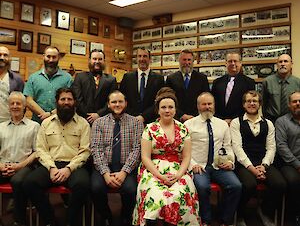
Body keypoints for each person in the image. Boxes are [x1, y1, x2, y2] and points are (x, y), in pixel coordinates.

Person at [133, 87, 200, 226]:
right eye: (163, 107)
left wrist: (179, 175)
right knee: (156, 196)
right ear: (158, 110)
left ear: (175, 110)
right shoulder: (150, 128)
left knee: (179, 195)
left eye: (170, 107)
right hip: (153, 169)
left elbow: (187, 157)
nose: (167, 110)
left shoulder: (183, 129)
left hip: (178, 170)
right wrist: (160, 176)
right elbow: (145, 157)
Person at [23, 88, 90, 226]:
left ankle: (70, 221)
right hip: (50, 165)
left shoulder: (83, 124)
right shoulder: (46, 123)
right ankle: (50, 220)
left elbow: (85, 151)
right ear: (57, 102)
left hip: (73, 166)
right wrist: (52, 167)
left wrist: (69, 169)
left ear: (75, 102)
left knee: (82, 185)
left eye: (69, 99)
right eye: (63, 99)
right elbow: (41, 149)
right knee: (29, 183)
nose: (66, 102)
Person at [184, 92, 241, 226]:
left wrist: (230, 162)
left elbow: (227, 146)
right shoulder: (188, 124)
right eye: (204, 104)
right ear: (198, 106)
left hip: (219, 166)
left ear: (214, 105)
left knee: (236, 186)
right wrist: (192, 165)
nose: (207, 107)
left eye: (210, 104)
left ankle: (225, 220)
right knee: (202, 187)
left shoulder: (222, 124)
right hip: (199, 166)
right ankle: (206, 220)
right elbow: (183, 150)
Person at [230, 90, 286, 226]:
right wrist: (252, 169)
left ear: (260, 104)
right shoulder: (236, 123)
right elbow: (237, 148)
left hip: (263, 162)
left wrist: (264, 166)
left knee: (280, 184)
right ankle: (240, 215)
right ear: (244, 104)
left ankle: (264, 211)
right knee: (249, 185)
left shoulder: (269, 124)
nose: (252, 103)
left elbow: (271, 147)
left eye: (255, 101)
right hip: (243, 164)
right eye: (248, 101)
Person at [91, 90, 143, 226]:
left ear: (125, 103)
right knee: (96, 188)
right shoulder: (98, 123)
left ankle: (125, 217)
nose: (117, 104)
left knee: (131, 189)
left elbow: (137, 149)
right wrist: (105, 173)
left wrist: (124, 172)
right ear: (108, 104)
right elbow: (96, 149)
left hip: (126, 166)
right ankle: (106, 216)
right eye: (114, 102)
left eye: (120, 101)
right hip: (104, 165)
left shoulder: (136, 123)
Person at [0, 91, 39, 226]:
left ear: (24, 107)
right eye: (12, 103)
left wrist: (19, 166)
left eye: (18, 103)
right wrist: (1, 166)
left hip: (25, 166)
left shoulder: (34, 126)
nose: (15, 106)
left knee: (17, 181)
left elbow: (37, 152)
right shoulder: (1, 127)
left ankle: (19, 221)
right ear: (8, 106)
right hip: (3, 165)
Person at [23, 46, 73, 123]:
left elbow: (70, 101)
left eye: (54, 57)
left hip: (60, 123)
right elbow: (28, 100)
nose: (51, 60)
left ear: (59, 58)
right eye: (48, 56)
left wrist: (51, 114)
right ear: (43, 57)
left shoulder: (67, 78)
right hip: (38, 122)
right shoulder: (33, 78)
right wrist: (43, 114)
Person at [119, 48, 164, 124]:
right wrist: (133, 117)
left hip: (151, 121)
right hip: (129, 120)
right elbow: (122, 99)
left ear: (150, 59)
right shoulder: (127, 77)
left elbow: (159, 101)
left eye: (145, 56)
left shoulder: (159, 79)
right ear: (136, 59)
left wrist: (144, 116)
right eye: (139, 56)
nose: (142, 59)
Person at [72, 49, 117, 124]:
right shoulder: (80, 77)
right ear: (89, 60)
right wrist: (88, 115)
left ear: (104, 61)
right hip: (82, 120)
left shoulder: (111, 80)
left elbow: (112, 101)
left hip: (104, 120)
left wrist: (98, 114)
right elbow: (77, 98)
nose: (97, 61)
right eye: (94, 59)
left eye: (100, 59)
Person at [275, 91, 300, 226]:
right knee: (294, 181)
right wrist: (297, 165)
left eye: (299, 101)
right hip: (288, 164)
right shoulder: (282, 121)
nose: (298, 104)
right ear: (289, 105)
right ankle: (293, 217)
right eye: (294, 101)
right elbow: (282, 147)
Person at [166, 49, 209, 122]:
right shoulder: (171, 79)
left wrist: (195, 117)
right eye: (184, 60)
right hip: (177, 119)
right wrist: (181, 115)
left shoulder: (202, 78)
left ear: (193, 61)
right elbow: (168, 100)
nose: (187, 62)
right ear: (179, 61)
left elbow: (206, 100)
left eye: (189, 60)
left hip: (197, 119)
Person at [212, 52, 255, 125]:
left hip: (240, 122)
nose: (233, 63)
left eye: (235, 61)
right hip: (219, 122)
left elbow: (249, 104)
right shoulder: (217, 82)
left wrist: (233, 120)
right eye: (230, 61)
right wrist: (221, 120)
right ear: (226, 63)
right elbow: (213, 103)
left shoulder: (249, 82)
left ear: (240, 63)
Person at [262, 54, 300, 122]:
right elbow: (264, 104)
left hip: (293, 120)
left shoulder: (297, 82)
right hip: (272, 120)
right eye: (280, 62)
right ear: (277, 65)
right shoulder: (267, 81)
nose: (283, 64)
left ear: (291, 64)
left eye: (285, 61)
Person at [0, 46, 24, 123]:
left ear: (9, 58)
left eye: (5, 55)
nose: (2, 57)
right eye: (0, 55)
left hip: (9, 122)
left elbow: (22, 103)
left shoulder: (17, 79)